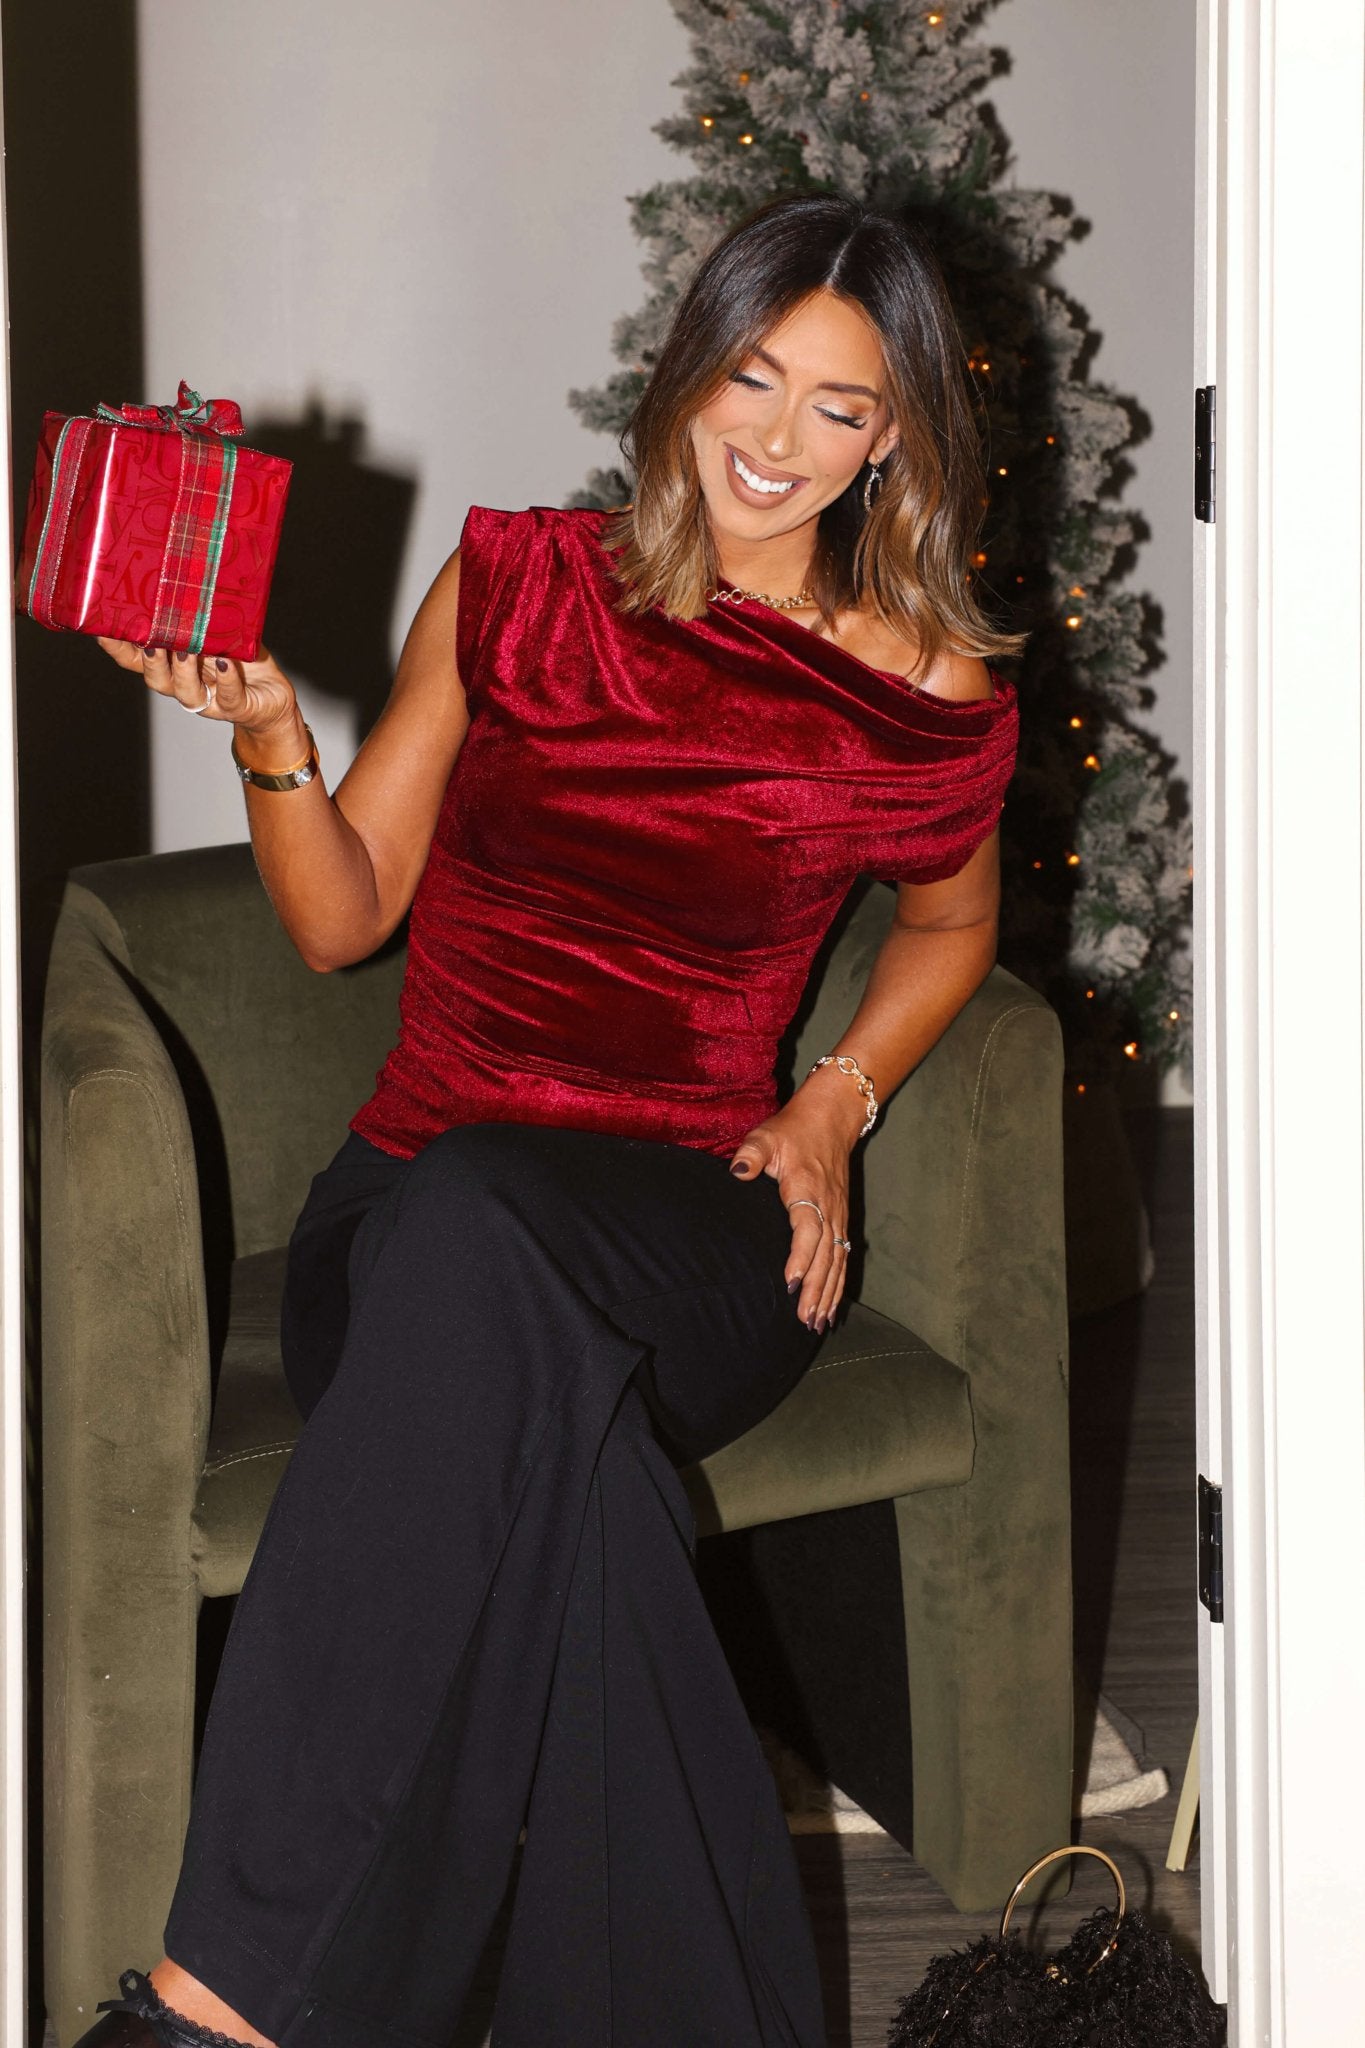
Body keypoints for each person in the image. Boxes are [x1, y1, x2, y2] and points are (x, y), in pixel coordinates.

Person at [79, 191, 1024, 2048]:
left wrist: (833, 1105)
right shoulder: (519, 582)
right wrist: (272, 723)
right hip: (411, 1229)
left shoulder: (921, 684)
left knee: (504, 1231)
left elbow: (956, 920)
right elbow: (343, 915)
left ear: (892, 431)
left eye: (835, 406)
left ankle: (223, 2005)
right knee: (542, 1417)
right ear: (687, 370)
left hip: (702, 1233)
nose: (774, 437)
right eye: (749, 375)